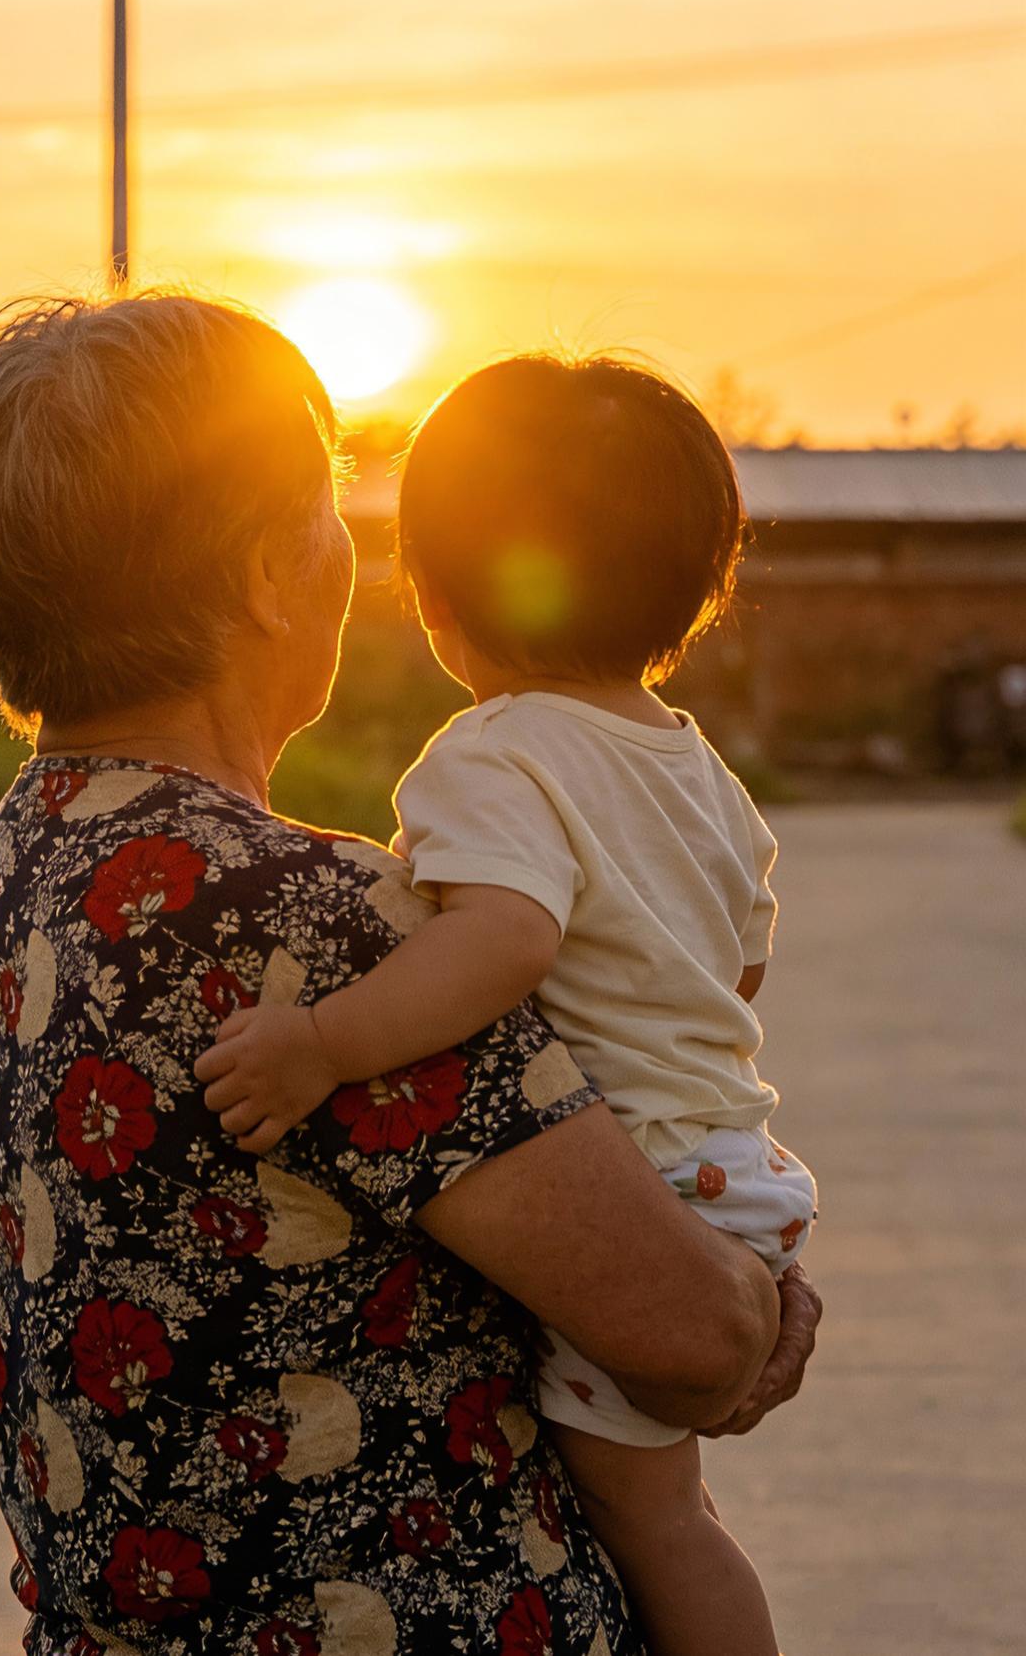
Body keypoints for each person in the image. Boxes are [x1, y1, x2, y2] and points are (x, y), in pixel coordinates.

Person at [0, 295, 819, 1656]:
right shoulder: (316, 919)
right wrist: (756, 1297)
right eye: (332, 509)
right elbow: (692, 1335)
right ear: (273, 573)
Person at [198, 357, 818, 1656]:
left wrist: (320, 1044)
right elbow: (742, 958)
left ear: (430, 594)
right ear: (692, 594)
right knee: (677, 1510)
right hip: (730, 1162)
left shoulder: (489, 755)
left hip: (646, 1180)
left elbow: (505, 940)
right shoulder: (695, 763)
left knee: (655, 1518)